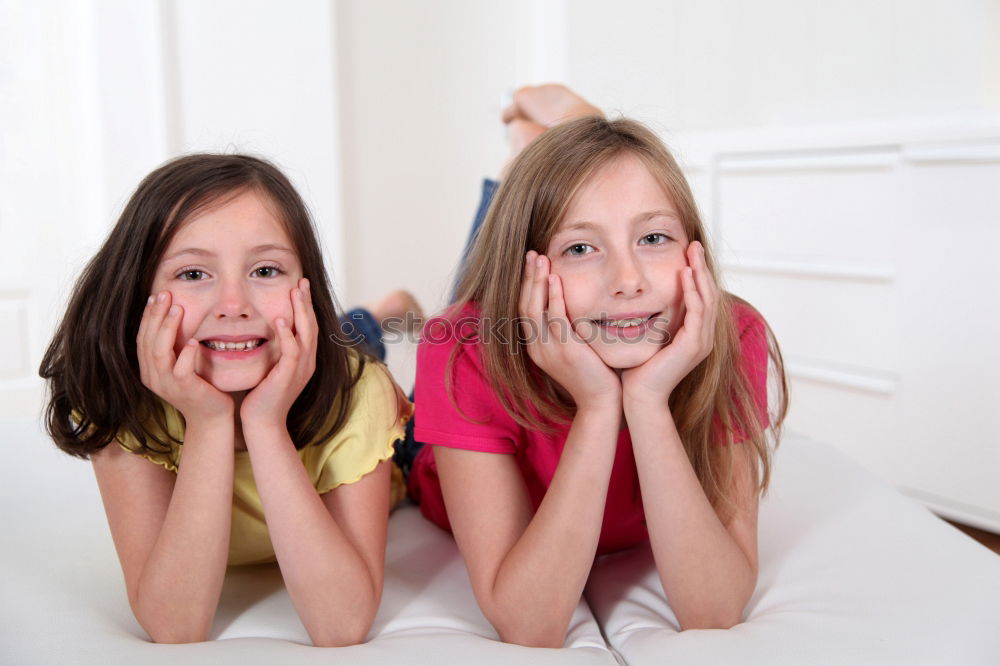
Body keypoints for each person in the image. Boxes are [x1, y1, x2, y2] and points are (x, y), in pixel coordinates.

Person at [404, 85, 789, 647]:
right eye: (580, 249)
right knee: (486, 274)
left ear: (696, 252)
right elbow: (528, 623)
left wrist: (648, 402)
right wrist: (596, 404)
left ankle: (547, 149)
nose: (627, 280)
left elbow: (715, 609)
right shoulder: (458, 346)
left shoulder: (732, 335)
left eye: (654, 237)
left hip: (567, 314)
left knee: (543, 219)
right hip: (427, 452)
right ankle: (522, 158)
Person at [39, 154, 415, 646]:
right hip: (272, 347)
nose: (233, 305)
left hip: (391, 442)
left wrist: (265, 423)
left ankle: (381, 314)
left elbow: (341, 624)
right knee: (326, 333)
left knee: (360, 344)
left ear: (307, 287)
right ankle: (373, 313)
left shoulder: (360, 393)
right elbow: (175, 626)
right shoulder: (120, 393)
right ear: (137, 294)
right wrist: (209, 422)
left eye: (265, 269)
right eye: (193, 274)